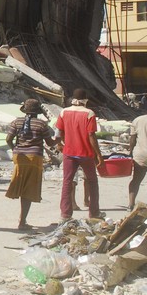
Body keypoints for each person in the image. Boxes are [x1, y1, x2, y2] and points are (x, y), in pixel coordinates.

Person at [5, 99, 56, 229]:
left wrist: (14, 149)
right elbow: (49, 143)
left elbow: (8, 139)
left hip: (19, 157)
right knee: (28, 190)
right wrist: (60, 139)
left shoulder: (16, 122)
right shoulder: (41, 124)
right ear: (37, 112)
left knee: (20, 185)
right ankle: (22, 221)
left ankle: (22, 221)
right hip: (34, 158)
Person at [57, 88, 104, 220]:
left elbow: (59, 131)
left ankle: (65, 214)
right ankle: (94, 213)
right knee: (92, 181)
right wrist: (98, 154)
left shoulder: (64, 112)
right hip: (86, 153)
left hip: (69, 152)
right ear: (85, 100)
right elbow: (91, 135)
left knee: (67, 181)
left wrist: (63, 143)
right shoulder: (89, 113)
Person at [128, 110, 147, 211]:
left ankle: (131, 204)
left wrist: (130, 152)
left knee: (136, 180)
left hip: (140, 154)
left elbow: (132, 139)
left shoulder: (137, 120)